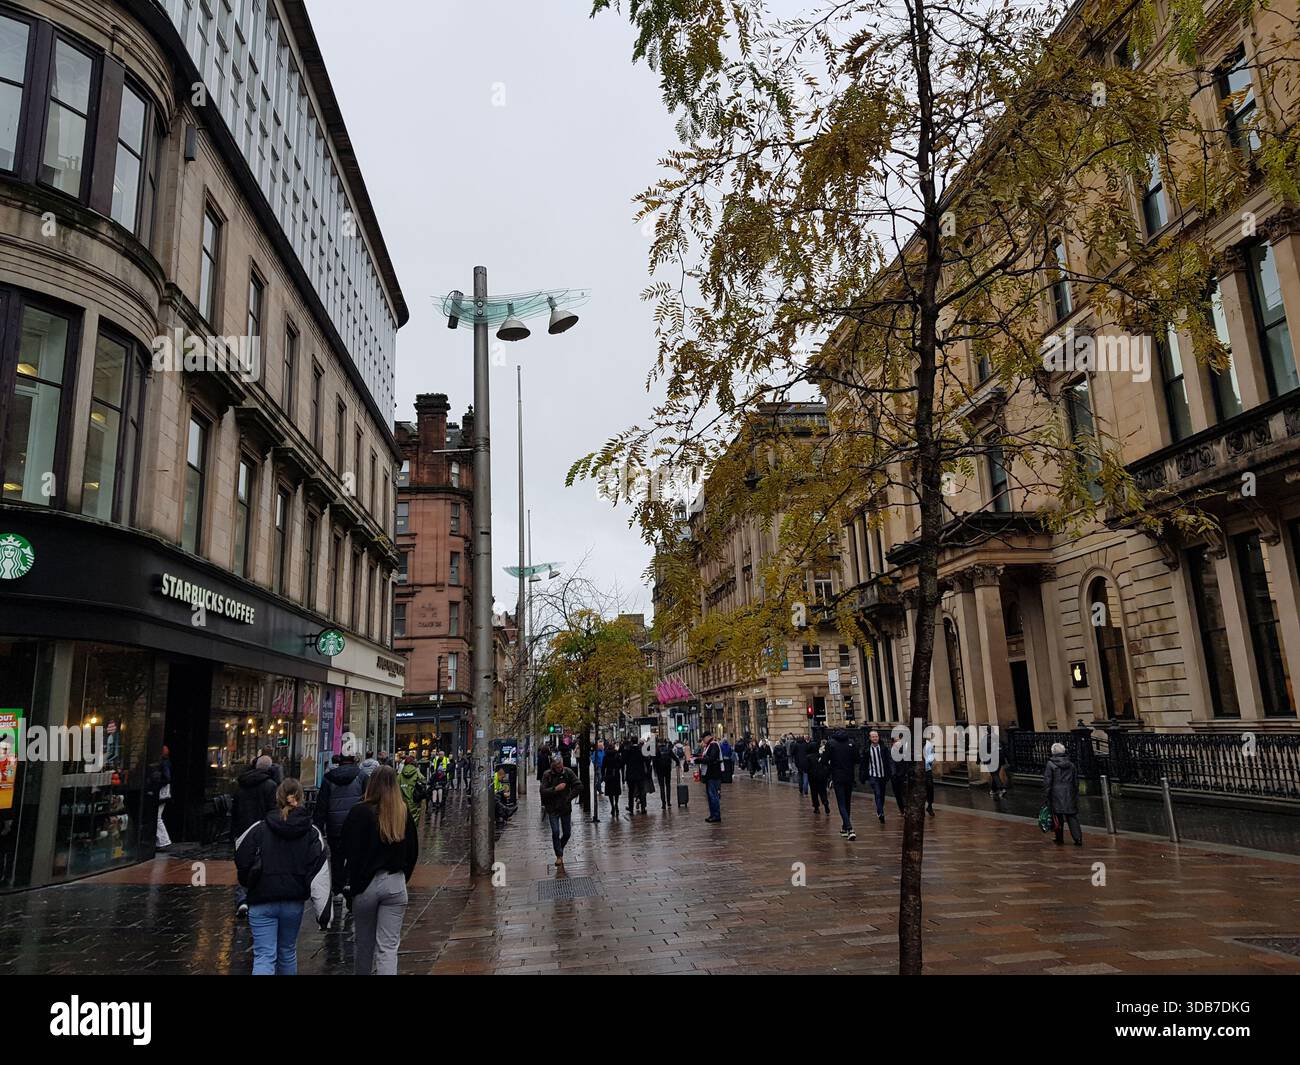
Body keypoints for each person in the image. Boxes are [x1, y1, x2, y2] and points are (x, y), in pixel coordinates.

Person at [234, 777, 331, 975]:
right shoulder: (311, 832)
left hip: (261, 899)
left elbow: (242, 858)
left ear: (277, 798)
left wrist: (248, 883)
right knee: (287, 952)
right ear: (301, 798)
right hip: (292, 901)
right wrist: (324, 913)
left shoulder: (259, 828)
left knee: (264, 956)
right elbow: (319, 871)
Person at [340, 765, 418, 975]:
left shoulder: (358, 812)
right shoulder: (402, 812)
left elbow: (345, 849)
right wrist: (402, 876)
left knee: (364, 945)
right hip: (395, 883)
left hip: (365, 885)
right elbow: (413, 852)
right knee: (388, 948)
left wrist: (347, 882)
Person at [313, 752, 366, 905]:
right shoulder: (361, 776)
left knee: (336, 857)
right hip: (355, 824)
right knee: (354, 855)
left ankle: (337, 889)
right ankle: (349, 883)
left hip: (334, 825)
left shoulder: (329, 778)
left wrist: (318, 827)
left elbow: (321, 805)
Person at [231, 754, 279, 916]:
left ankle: (242, 899)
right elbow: (273, 811)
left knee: (243, 865)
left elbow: (235, 810)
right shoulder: (271, 786)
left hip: (243, 830)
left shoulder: (241, 784)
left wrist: (235, 832)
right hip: (262, 830)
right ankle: (258, 896)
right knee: (262, 864)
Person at [540, 754, 580, 866]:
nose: (560, 769)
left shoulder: (567, 772)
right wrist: (555, 789)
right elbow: (543, 791)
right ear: (553, 766)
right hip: (552, 808)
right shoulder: (547, 775)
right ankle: (559, 856)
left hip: (565, 807)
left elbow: (578, 785)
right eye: (557, 767)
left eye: (561, 766)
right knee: (556, 832)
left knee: (567, 833)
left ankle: (559, 847)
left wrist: (569, 797)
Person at [1043, 742, 1083, 846]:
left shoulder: (1050, 764)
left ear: (1053, 752)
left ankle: (1059, 838)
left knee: (1057, 817)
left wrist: (1047, 794)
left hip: (1056, 793)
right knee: (1072, 816)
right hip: (1069, 792)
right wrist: (1074, 792)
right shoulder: (1071, 764)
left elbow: (1048, 781)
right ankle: (1077, 838)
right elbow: (1075, 781)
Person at [826, 729, 858, 840]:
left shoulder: (831, 743)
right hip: (849, 775)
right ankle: (844, 828)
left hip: (837, 776)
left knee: (841, 803)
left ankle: (849, 828)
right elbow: (857, 759)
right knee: (847, 802)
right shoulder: (851, 743)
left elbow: (825, 760)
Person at [861, 729, 890, 825]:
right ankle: (881, 813)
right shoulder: (867, 750)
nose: (875, 738)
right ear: (870, 738)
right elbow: (864, 764)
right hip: (873, 775)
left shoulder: (884, 748)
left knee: (881, 795)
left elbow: (888, 761)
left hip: (882, 775)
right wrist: (863, 776)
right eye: (873, 737)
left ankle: (880, 809)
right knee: (877, 793)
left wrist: (889, 773)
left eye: (876, 736)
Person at [699, 733, 723, 823]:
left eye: (703, 738)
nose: (703, 740)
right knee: (710, 796)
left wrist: (700, 759)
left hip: (713, 774)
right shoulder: (709, 745)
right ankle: (713, 814)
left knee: (713, 796)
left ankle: (716, 815)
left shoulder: (713, 745)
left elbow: (711, 758)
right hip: (709, 774)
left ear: (708, 737)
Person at [153, 745, 173, 850]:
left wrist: (158, 784)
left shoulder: (163, 763)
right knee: (157, 816)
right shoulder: (166, 763)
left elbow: (167, 778)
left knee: (157, 817)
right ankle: (161, 841)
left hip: (161, 793)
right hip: (163, 793)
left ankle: (164, 840)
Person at [624, 736, 649, 814]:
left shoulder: (628, 750)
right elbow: (646, 760)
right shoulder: (641, 749)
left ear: (631, 741)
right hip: (640, 774)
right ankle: (643, 808)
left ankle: (631, 809)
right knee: (641, 791)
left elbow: (623, 761)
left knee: (631, 792)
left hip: (630, 774)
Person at [398, 755, 426, 822]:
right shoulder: (416, 773)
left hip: (402, 801)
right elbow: (424, 781)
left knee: (402, 819)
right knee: (414, 819)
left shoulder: (400, 775)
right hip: (414, 799)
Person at [807, 737, 831, 815]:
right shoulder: (821, 755)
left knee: (814, 792)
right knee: (822, 791)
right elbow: (826, 765)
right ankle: (825, 803)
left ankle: (816, 807)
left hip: (812, 777)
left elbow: (806, 767)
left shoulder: (809, 757)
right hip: (821, 776)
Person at [601, 742, 623, 819]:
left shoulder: (606, 756)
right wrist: (617, 768)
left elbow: (603, 767)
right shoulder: (617, 755)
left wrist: (603, 776)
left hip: (608, 774)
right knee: (616, 791)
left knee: (610, 792)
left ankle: (612, 806)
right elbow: (621, 764)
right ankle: (616, 803)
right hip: (616, 774)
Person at [653, 737, 675, 810]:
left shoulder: (656, 750)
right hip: (667, 769)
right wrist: (678, 763)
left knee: (662, 787)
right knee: (668, 785)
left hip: (660, 771)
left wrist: (655, 770)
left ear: (658, 743)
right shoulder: (668, 749)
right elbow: (674, 757)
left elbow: (654, 761)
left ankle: (663, 803)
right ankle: (668, 802)